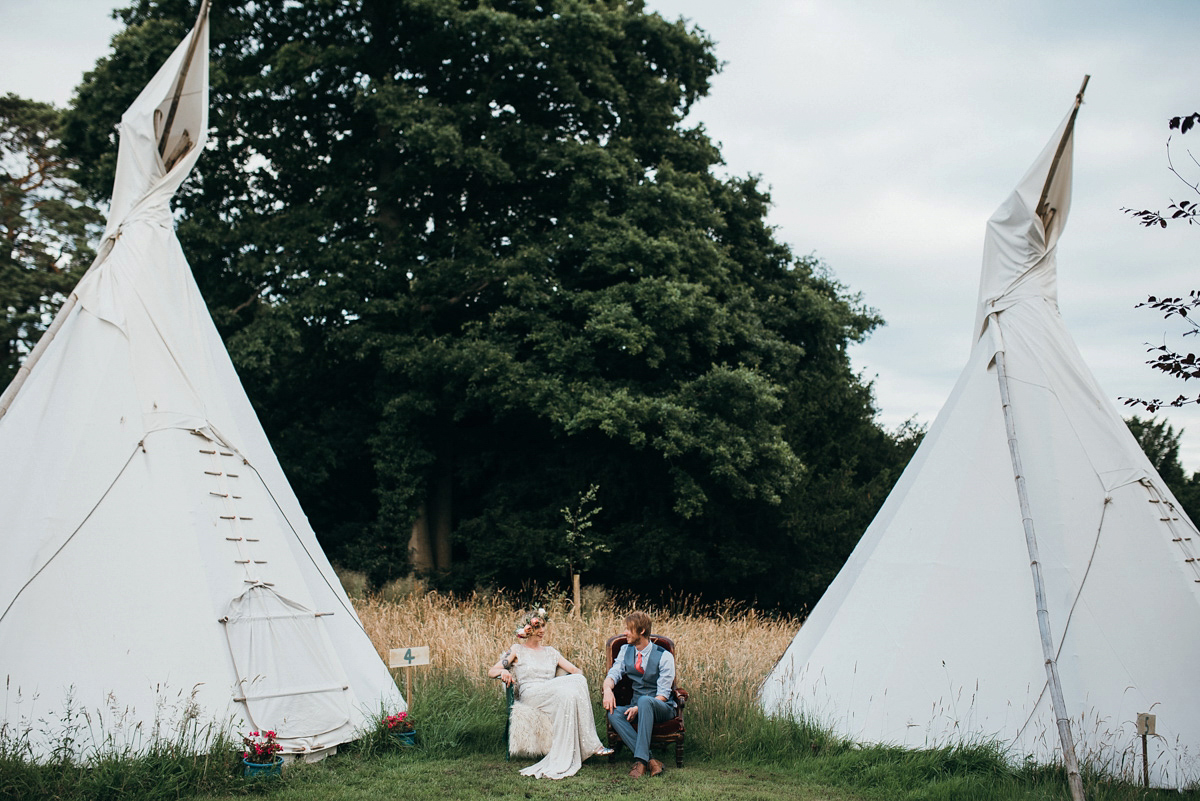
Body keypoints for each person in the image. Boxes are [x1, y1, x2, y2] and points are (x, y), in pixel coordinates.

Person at [488, 607, 614, 779]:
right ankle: (592, 745)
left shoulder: (551, 652)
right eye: (538, 627)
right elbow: (491, 671)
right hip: (531, 693)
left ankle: (589, 745)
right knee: (575, 684)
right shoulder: (517, 649)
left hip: (551, 691)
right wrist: (503, 672)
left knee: (577, 683)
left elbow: (576, 670)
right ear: (528, 629)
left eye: (543, 626)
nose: (542, 631)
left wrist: (571, 683)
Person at [602, 611, 676, 778]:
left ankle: (639, 763)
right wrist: (607, 690)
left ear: (641, 631)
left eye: (629, 629)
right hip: (635, 705)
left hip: (661, 708)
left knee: (644, 701)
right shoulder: (625, 650)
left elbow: (663, 694)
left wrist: (639, 707)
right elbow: (614, 674)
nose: (625, 632)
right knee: (613, 713)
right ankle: (650, 760)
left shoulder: (664, 656)